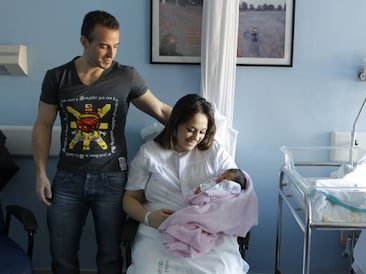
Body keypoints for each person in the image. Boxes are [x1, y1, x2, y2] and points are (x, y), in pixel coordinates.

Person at [31, 10, 171, 274]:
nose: (111, 54)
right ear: (84, 41)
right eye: (104, 45)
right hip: (67, 179)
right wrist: (40, 174)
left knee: (109, 257)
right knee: (61, 257)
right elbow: (43, 125)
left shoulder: (126, 76)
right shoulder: (57, 77)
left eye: (116, 46)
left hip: (112, 180)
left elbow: (162, 111)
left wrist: (202, 124)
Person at [123, 93, 258, 274]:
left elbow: (235, 189)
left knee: (222, 269)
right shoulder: (150, 153)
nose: (196, 137)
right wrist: (149, 218)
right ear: (176, 123)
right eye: (191, 129)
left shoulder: (215, 151)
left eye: (202, 132)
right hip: (159, 228)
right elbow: (130, 199)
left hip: (207, 230)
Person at [158, 167, 257, 258]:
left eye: (225, 178)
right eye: (222, 175)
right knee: (191, 221)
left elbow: (215, 194)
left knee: (190, 218)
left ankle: (183, 238)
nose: (220, 177)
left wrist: (202, 196)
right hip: (208, 207)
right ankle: (183, 239)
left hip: (214, 211)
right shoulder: (215, 182)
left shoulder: (229, 187)